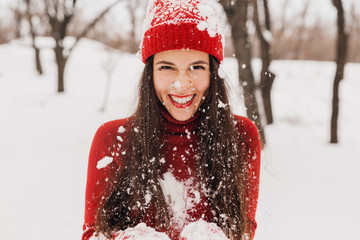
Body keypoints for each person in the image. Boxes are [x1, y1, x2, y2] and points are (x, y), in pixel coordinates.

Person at [82, 0, 261, 239]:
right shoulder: (113, 139)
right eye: (167, 68)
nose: (182, 84)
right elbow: (93, 233)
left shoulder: (240, 137)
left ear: (212, 72)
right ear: (150, 73)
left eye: (196, 67)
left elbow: (243, 230)